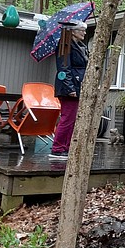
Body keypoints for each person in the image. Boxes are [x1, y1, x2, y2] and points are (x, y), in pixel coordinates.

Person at [49, 21, 89, 158]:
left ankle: (66, 147)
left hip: (78, 86)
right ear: (72, 31)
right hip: (69, 88)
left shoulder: (81, 46)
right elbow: (64, 68)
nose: (84, 32)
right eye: (81, 30)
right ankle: (58, 148)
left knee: (72, 119)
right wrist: (70, 88)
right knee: (67, 118)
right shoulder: (64, 46)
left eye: (84, 30)